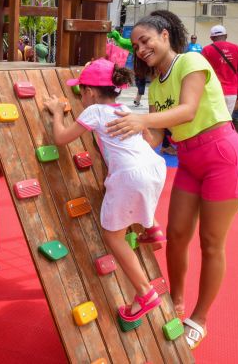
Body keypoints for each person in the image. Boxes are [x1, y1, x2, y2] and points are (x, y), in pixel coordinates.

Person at [106, 10, 238, 350]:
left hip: (222, 157)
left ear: (166, 35)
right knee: (176, 234)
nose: (141, 49)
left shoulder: (191, 62)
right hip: (189, 161)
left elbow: (187, 110)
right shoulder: (156, 85)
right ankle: (178, 301)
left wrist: (142, 121)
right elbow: (156, 137)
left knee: (211, 242)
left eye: (146, 40)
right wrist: (114, 133)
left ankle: (199, 319)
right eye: (137, 44)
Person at [43, 58, 167, 324]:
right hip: (155, 167)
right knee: (141, 190)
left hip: (129, 176)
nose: (81, 98)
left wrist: (56, 113)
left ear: (89, 92)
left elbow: (62, 138)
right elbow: (145, 137)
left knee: (113, 238)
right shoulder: (124, 109)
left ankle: (144, 293)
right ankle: (152, 226)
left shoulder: (94, 111)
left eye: (81, 92)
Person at [201, 24, 238, 114]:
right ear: (226, 36)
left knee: (214, 121)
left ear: (211, 38)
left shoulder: (207, 50)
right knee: (226, 120)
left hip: (213, 91)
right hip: (231, 92)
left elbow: (201, 71)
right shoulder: (236, 48)